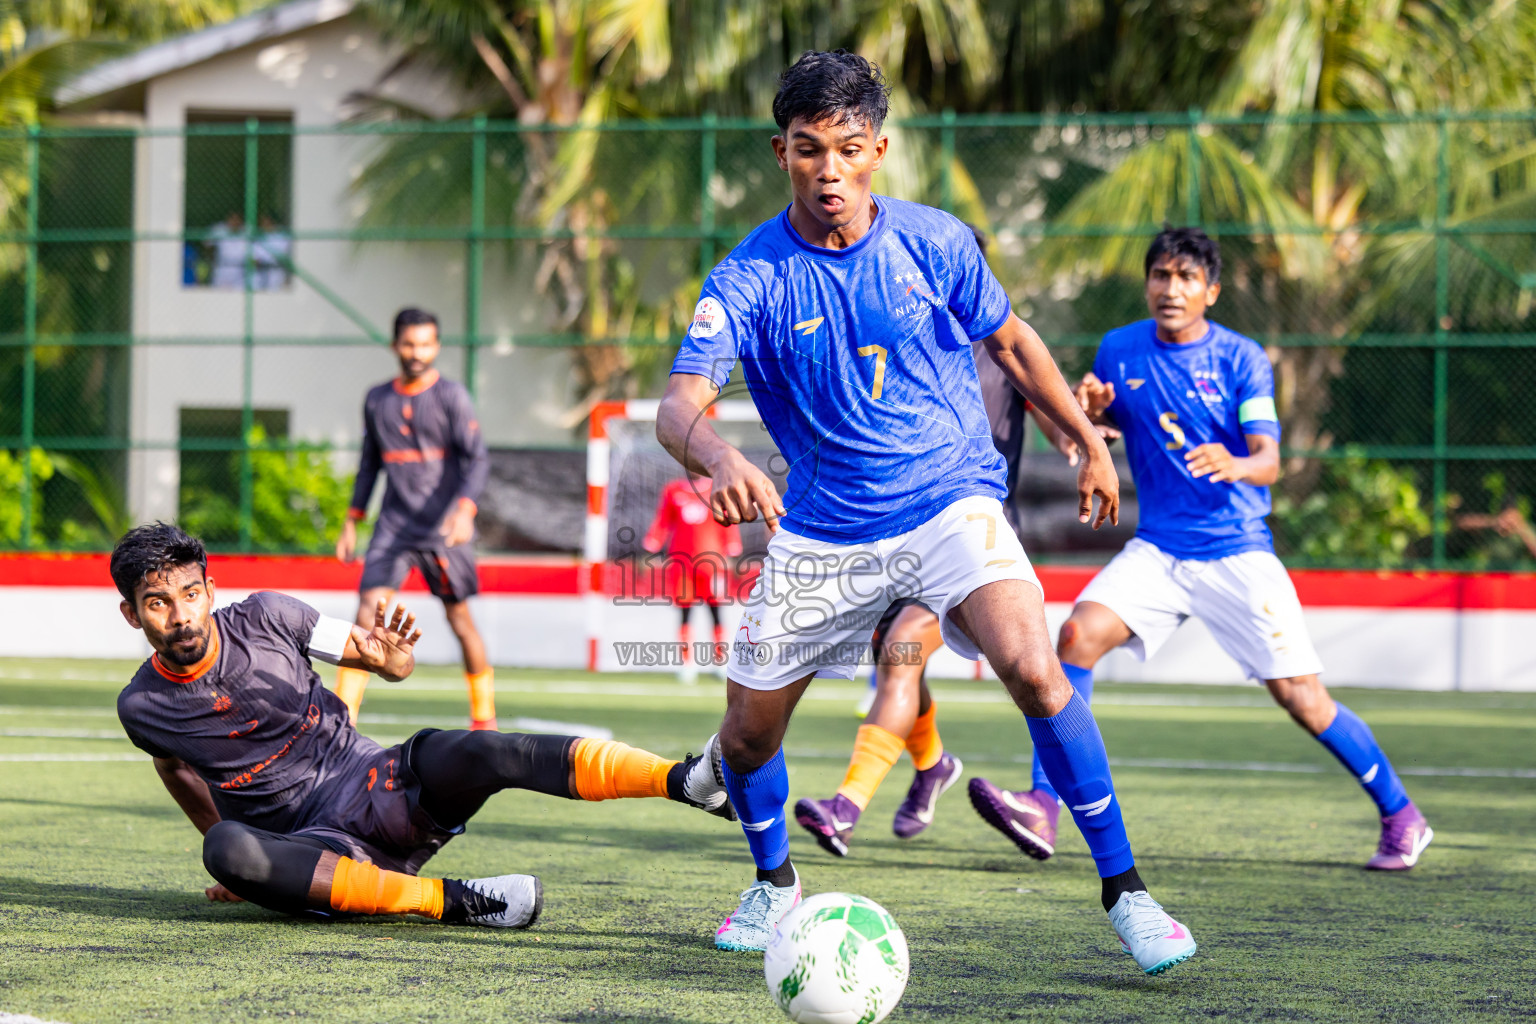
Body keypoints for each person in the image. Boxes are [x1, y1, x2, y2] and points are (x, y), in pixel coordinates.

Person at [655, 50, 1197, 974]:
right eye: (809, 149)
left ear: (881, 151)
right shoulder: (749, 276)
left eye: (851, 149)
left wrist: (1088, 439)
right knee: (747, 737)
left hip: (950, 499)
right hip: (824, 528)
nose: (830, 170)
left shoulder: (936, 239)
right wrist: (718, 453)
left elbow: (1014, 344)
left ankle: (1128, 894)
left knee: (1033, 665)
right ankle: (773, 884)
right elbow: (678, 404)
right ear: (779, 150)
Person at [968, 227, 1433, 872]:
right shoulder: (1121, 348)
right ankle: (1043, 808)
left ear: (1211, 291)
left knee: (1302, 698)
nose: (1171, 289)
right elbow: (1089, 437)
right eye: (1161, 275)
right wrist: (1089, 409)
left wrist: (1236, 463)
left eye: (1187, 278)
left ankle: (1402, 815)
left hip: (1236, 551)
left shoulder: (1242, 359)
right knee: (1075, 636)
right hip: (1160, 550)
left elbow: (1269, 461)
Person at [112, 522, 732, 927]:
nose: (181, 616)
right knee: (221, 850)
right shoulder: (142, 708)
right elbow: (174, 766)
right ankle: (450, 901)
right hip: (317, 850)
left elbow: (385, 660)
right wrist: (252, 861)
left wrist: (391, 657)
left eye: (190, 595)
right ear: (133, 615)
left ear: (210, 590)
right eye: (159, 604)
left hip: (379, 784)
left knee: (480, 751)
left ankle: (684, 780)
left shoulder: (271, 616)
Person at [795, 226, 1104, 857]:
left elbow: (1056, 419)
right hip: (889, 536)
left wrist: (1080, 434)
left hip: (969, 540)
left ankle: (846, 806)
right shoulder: (894, 339)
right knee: (895, 659)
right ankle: (932, 762)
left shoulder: (1002, 350)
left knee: (904, 646)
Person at [335, 308, 497, 730]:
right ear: (395, 346)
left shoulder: (452, 397)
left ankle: (484, 719)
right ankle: (343, 719)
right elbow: (369, 464)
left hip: (443, 527)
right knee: (366, 612)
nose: (417, 352)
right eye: (409, 344)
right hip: (393, 527)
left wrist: (465, 509)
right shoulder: (377, 399)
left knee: (459, 619)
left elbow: (477, 459)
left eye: (425, 344)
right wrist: (353, 519)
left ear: (437, 347)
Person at [642, 472, 743, 683]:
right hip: (681, 562)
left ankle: (720, 661)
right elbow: (663, 520)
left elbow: (728, 522)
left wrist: (732, 550)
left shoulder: (718, 489)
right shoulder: (673, 490)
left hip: (712, 563)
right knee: (685, 613)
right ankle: (687, 663)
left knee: (715, 611)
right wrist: (651, 545)